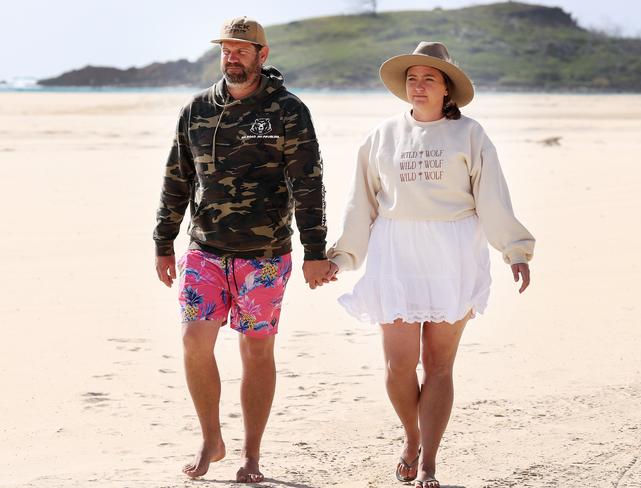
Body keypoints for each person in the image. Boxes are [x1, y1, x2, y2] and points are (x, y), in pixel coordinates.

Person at [325, 42, 535, 488]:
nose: (418, 86)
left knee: (438, 365)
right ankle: (411, 436)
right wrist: (343, 256)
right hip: (395, 251)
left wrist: (515, 249)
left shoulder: (471, 135)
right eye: (413, 78)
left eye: (430, 79)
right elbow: (360, 202)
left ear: (447, 89)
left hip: (452, 251)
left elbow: (493, 198)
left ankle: (429, 463)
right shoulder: (381, 135)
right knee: (398, 365)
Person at [153, 16, 331, 483]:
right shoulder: (196, 110)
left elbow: (308, 184)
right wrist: (163, 241)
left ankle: (251, 455)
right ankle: (211, 438)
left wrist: (315, 249)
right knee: (195, 341)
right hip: (204, 249)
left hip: (266, 254)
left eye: (242, 50)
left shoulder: (289, 111)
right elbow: (177, 178)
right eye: (227, 50)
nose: (232, 57)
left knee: (255, 352)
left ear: (262, 55)